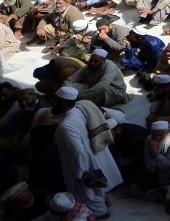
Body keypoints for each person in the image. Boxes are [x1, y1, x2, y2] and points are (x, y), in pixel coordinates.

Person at [52, 86, 122, 218]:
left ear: (64, 103)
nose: (52, 104)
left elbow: (77, 151)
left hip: (83, 164)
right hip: (90, 156)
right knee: (95, 190)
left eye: (55, 101)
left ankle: (102, 213)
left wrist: (80, 172)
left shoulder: (65, 126)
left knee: (88, 194)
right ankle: (104, 202)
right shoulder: (78, 111)